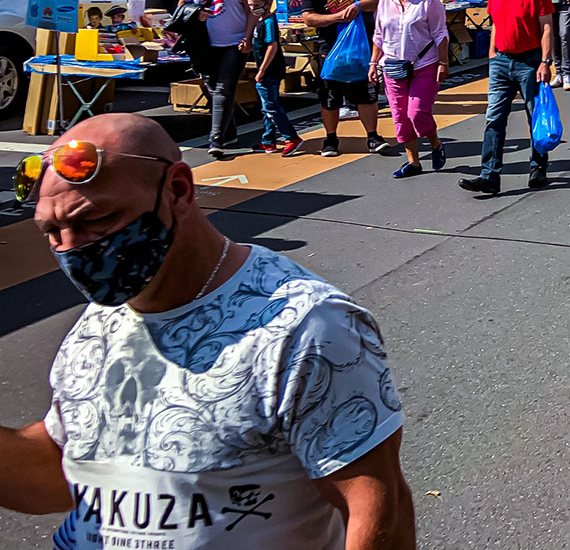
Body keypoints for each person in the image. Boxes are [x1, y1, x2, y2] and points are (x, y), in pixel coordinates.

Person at [4, 114, 415, 549]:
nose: (73, 247)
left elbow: (375, 508)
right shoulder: (100, 320)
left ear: (178, 189)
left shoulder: (305, 325)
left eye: (95, 220)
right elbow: (66, 472)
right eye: (53, 231)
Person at [461, 0, 555, 193]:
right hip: (502, 61)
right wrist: (492, 54)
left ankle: (538, 165)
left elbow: (546, 27)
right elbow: (495, 23)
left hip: (530, 61)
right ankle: (489, 174)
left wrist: (545, 61)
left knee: (533, 115)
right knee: (494, 118)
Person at [300, 0, 397, 158]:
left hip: (359, 48)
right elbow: (309, 17)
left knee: (366, 95)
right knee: (330, 97)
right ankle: (331, 138)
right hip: (330, 49)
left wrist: (357, 6)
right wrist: (334, 18)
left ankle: (372, 136)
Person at [371, 0, 450, 179]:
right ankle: (413, 161)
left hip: (424, 65)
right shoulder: (386, 1)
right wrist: (373, 63)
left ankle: (435, 143)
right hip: (393, 66)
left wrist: (443, 63)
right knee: (399, 116)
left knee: (417, 113)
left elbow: (440, 33)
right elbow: (379, 35)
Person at [176, 0, 256, 160]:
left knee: (223, 88)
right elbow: (182, 8)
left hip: (234, 42)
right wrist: (195, 14)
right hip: (204, 44)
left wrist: (248, 37)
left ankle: (216, 139)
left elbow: (251, 9)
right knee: (214, 88)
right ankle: (229, 134)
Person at [247, 0, 302, 156]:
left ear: (267, 4)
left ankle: (291, 137)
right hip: (265, 68)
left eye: (256, 6)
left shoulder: (269, 22)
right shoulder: (261, 21)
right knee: (266, 106)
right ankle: (268, 140)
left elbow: (272, 45)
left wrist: (262, 70)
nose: (253, 9)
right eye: (250, 6)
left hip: (269, 70)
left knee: (271, 106)